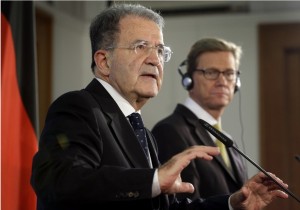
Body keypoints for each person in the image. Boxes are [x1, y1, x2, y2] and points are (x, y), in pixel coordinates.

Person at [30, 4, 288, 210]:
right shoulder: (78, 107)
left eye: (161, 50)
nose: (155, 60)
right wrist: (153, 180)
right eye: (141, 47)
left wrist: (232, 203)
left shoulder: (143, 133)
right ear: (104, 61)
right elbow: (59, 182)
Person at [152, 38, 248, 200]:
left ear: (236, 82)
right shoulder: (169, 131)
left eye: (229, 73)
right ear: (188, 80)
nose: (222, 81)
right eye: (211, 72)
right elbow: (183, 204)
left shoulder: (228, 140)